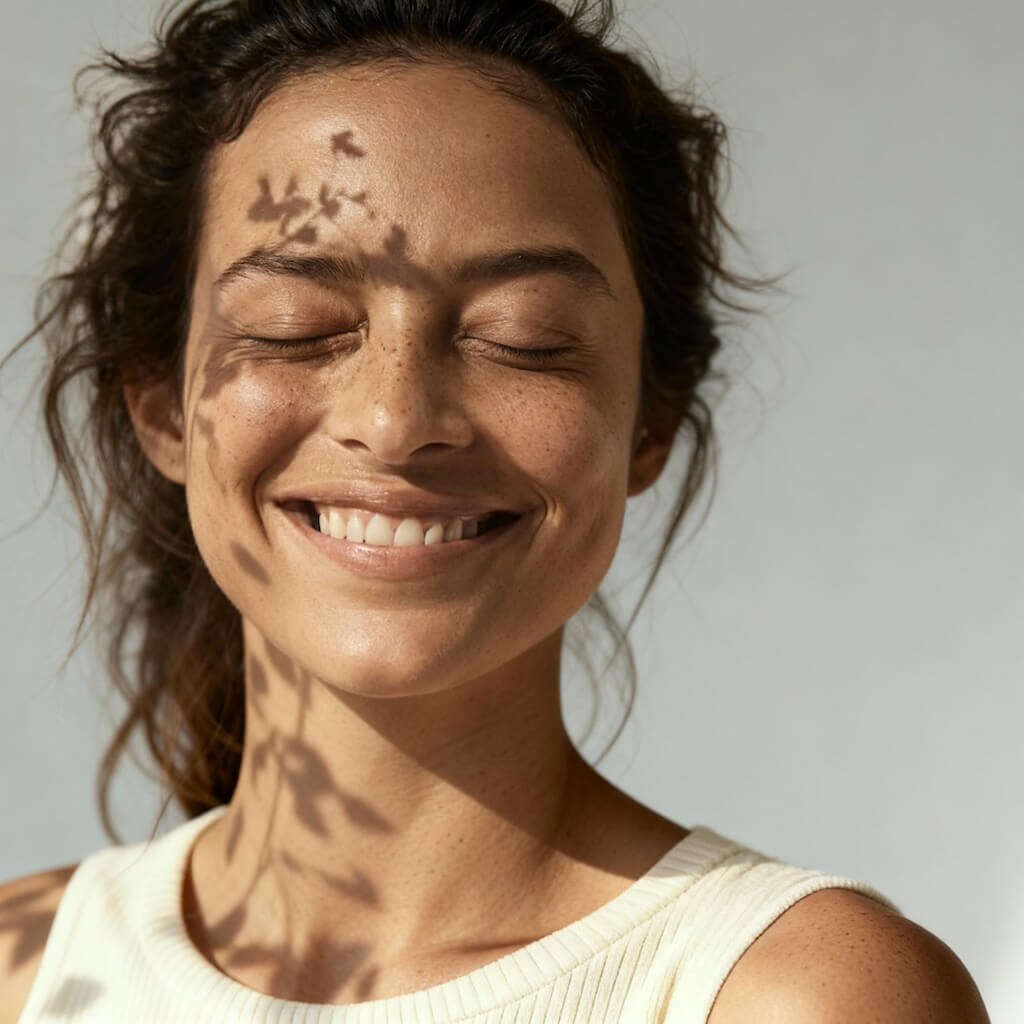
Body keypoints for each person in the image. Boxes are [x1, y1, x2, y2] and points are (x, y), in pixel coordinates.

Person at [0, 1, 990, 1021]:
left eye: (522, 338)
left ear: (649, 420)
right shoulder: (22, 968)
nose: (394, 419)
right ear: (158, 403)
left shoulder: (795, 993)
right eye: (293, 327)